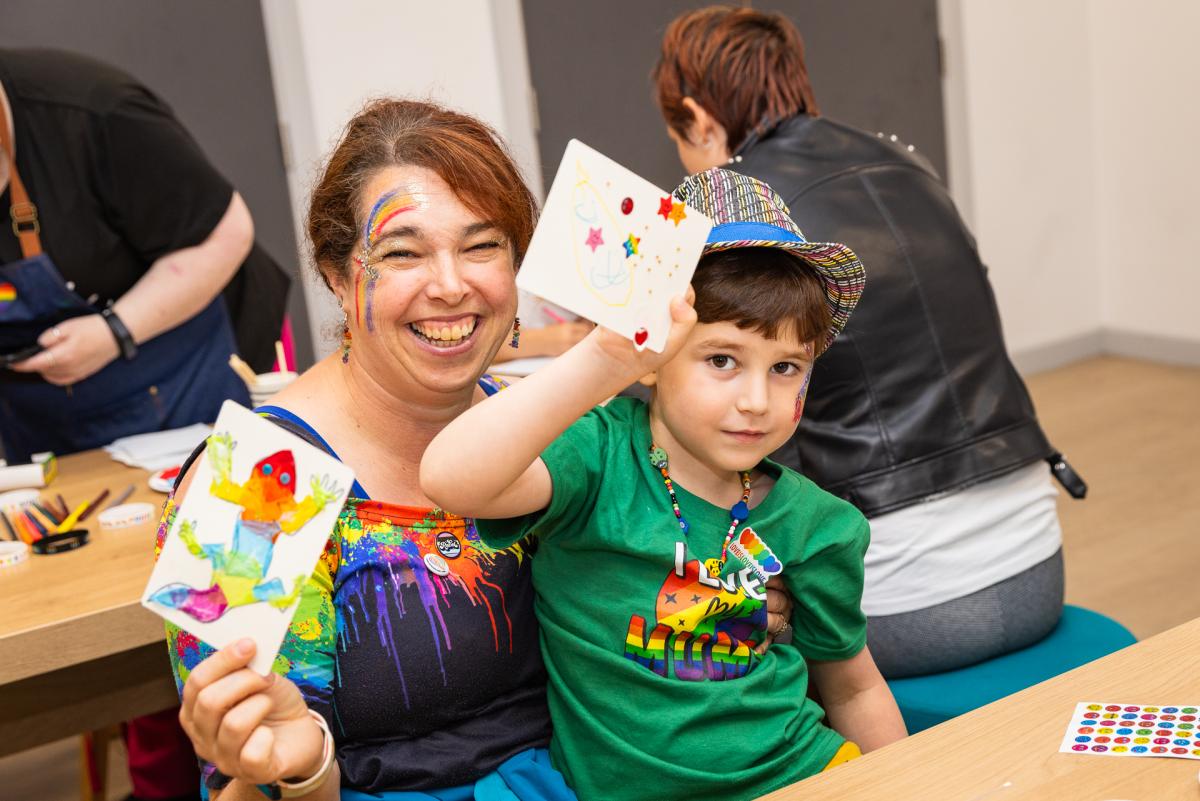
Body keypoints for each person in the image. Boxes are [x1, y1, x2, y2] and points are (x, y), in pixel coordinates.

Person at [162, 98, 795, 800]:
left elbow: (650, 588)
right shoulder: (248, 481)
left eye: (482, 245)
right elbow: (237, 780)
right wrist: (297, 765)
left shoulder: (559, 428)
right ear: (339, 277)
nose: (452, 283)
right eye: (402, 251)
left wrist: (730, 605)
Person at [422, 168, 907, 801]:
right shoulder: (597, 457)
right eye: (722, 360)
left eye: (787, 367)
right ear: (653, 357)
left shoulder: (820, 524)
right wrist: (604, 359)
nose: (757, 400)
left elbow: (854, 685)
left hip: (804, 773)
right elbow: (449, 478)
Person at [652, 6, 1087, 679]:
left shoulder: (732, 206)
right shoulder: (908, 163)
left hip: (900, 606)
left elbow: (666, 396)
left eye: (681, 140)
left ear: (698, 118)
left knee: (658, 537)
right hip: (1036, 562)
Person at [0, 47, 270, 801]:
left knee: (200, 606)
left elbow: (229, 230)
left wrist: (114, 331)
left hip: (170, 389)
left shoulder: (95, 113)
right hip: (42, 422)